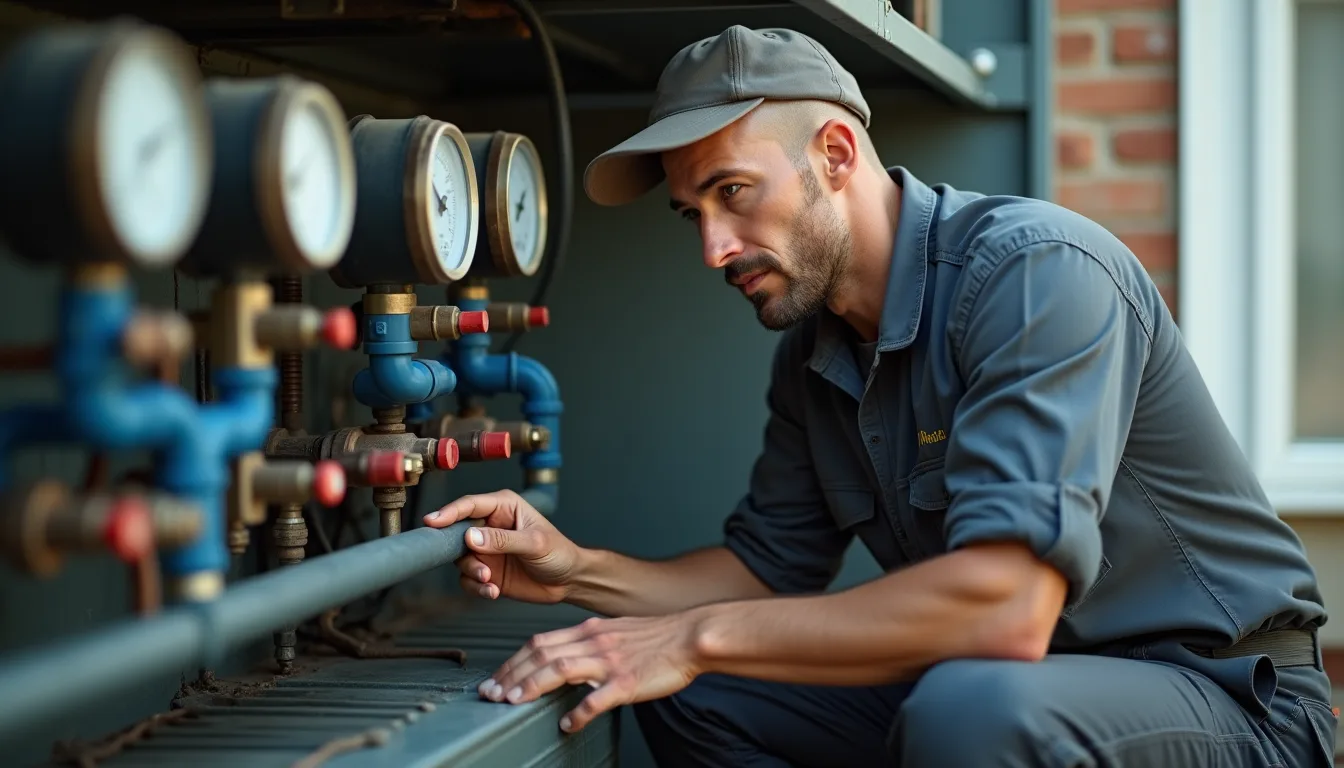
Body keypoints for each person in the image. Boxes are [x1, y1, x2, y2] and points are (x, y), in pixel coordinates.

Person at [424, 25, 1336, 767]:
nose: (714, 246)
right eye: (693, 214)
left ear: (834, 152)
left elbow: (1003, 610)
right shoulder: (817, 357)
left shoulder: (1034, 272)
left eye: (733, 192)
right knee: (685, 690)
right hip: (1015, 689)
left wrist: (695, 634)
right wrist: (578, 571)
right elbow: (765, 571)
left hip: (1228, 704)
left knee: (966, 711)